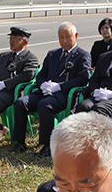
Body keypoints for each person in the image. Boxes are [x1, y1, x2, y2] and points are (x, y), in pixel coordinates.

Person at [10, 22, 92, 157]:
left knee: (44, 105)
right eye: (61, 37)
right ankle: (19, 142)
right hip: (45, 91)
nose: (64, 41)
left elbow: (83, 78)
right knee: (21, 102)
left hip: (64, 94)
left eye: (68, 37)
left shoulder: (82, 55)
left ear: (76, 36)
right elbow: (41, 74)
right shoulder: (53, 54)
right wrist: (42, 84)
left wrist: (59, 86)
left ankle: (48, 145)